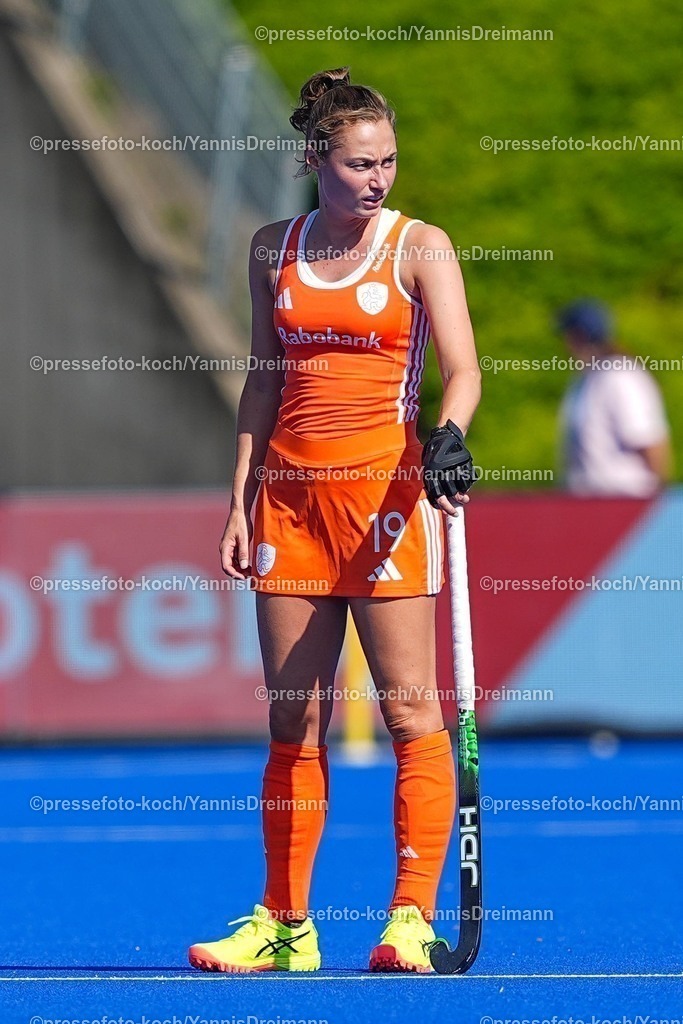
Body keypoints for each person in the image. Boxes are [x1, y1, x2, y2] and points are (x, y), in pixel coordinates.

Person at [188, 66, 481, 974]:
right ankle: (285, 924)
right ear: (317, 159)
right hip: (290, 502)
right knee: (293, 722)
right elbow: (263, 378)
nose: (378, 179)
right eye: (359, 163)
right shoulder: (271, 248)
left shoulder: (419, 246)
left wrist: (448, 436)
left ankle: (406, 919)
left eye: (388, 162)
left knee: (405, 708)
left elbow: (463, 371)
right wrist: (239, 499)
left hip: (387, 501)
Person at [558, 300, 671, 496]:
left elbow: (650, 442)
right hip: (588, 503)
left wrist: (660, 506)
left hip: (625, 500)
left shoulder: (620, 376)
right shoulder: (587, 378)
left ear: (581, 335)